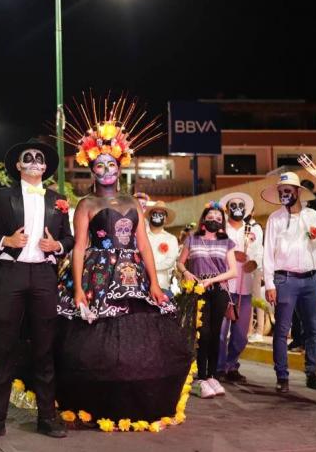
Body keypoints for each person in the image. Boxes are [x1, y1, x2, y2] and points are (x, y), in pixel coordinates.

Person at [57, 119, 193, 421]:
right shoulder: (86, 204)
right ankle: (97, 401)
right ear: (92, 171)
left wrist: (155, 285)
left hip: (135, 275)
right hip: (99, 275)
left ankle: (138, 401)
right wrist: (79, 288)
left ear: (120, 168)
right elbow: (79, 246)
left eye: (111, 165)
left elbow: (143, 245)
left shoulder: (132, 201)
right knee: (95, 340)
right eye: (100, 166)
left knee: (140, 340)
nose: (106, 171)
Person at [0, 138, 74, 440]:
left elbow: (70, 239)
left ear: (45, 166)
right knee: (4, 349)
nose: (34, 162)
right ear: (18, 165)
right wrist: (5, 241)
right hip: (11, 276)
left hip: (43, 275)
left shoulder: (58, 199)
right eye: (28, 158)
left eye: (39, 158)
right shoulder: (1, 196)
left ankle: (46, 418)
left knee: (44, 349)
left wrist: (57, 245)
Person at [262, 172, 316, 394]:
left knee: (313, 329)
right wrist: (270, 284)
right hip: (285, 279)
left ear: (298, 192)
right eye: (281, 192)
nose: (285, 194)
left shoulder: (314, 216)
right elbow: (267, 254)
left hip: (310, 278)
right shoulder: (274, 219)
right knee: (282, 331)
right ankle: (282, 376)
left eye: (288, 191)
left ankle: (312, 373)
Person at [178, 202, 238, 398]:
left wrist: (212, 280)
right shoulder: (192, 240)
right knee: (202, 334)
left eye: (218, 218)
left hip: (219, 290)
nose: (214, 220)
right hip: (197, 291)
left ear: (222, 223)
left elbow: (233, 271)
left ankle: (212, 376)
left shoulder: (227, 242)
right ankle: (201, 378)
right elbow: (180, 262)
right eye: (211, 217)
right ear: (204, 219)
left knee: (215, 335)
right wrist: (186, 272)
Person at [217, 192, 263, 384]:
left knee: (241, 335)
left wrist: (254, 263)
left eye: (241, 205)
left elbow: (259, 253)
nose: (237, 208)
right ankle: (219, 368)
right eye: (233, 205)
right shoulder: (220, 229)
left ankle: (231, 364)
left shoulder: (254, 230)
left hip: (244, 288)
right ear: (227, 209)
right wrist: (232, 255)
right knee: (220, 332)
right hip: (224, 286)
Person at [144, 201, 179, 297]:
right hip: (141, 284)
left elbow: (170, 262)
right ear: (149, 216)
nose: (157, 216)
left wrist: (148, 267)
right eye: (155, 213)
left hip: (162, 285)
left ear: (166, 219)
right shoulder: (141, 237)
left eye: (161, 214)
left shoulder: (171, 239)